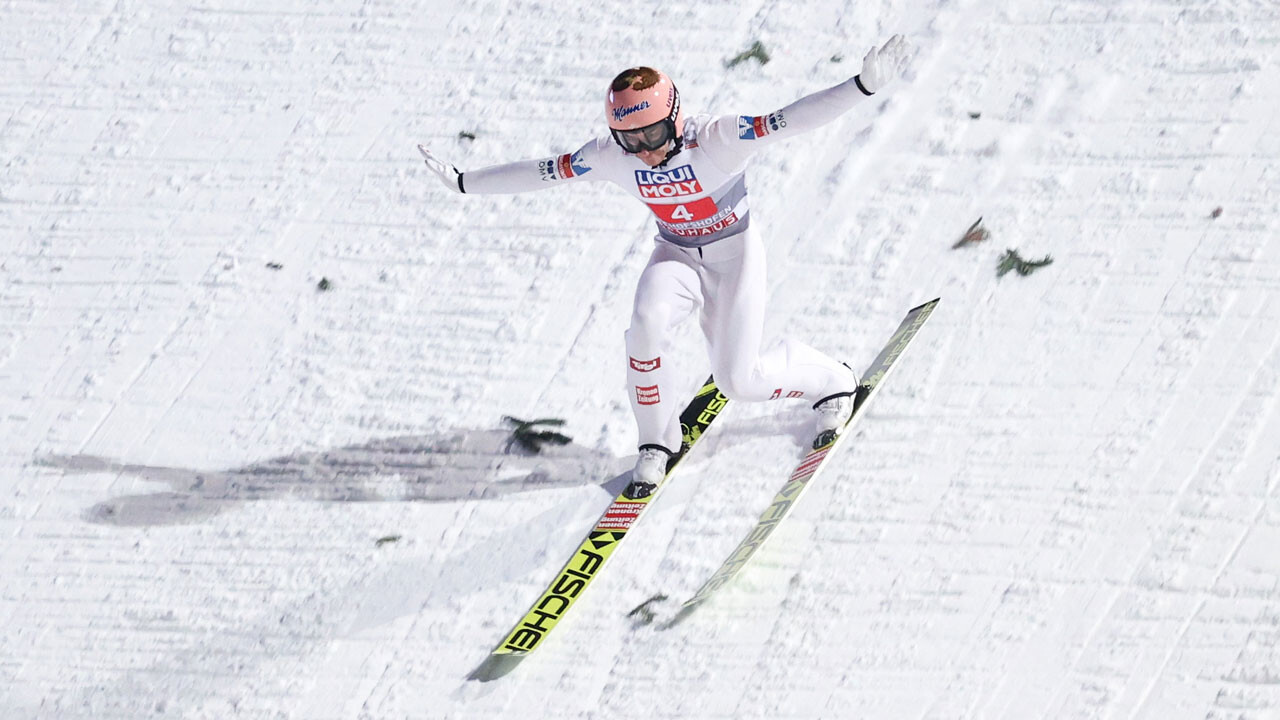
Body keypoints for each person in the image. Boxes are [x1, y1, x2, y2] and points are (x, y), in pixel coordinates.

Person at [419, 36, 910, 499]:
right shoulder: (613, 156)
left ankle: (832, 380)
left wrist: (861, 86)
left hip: (734, 259)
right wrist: (466, 183)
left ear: (675, 117)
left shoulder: (717, 137)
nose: (645, 151)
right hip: (675, 255)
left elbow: (791, 119)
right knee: (646, 326)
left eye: (651, 134)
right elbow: (543, 172)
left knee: (738, 382)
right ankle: (657, 441)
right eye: (629, 140)